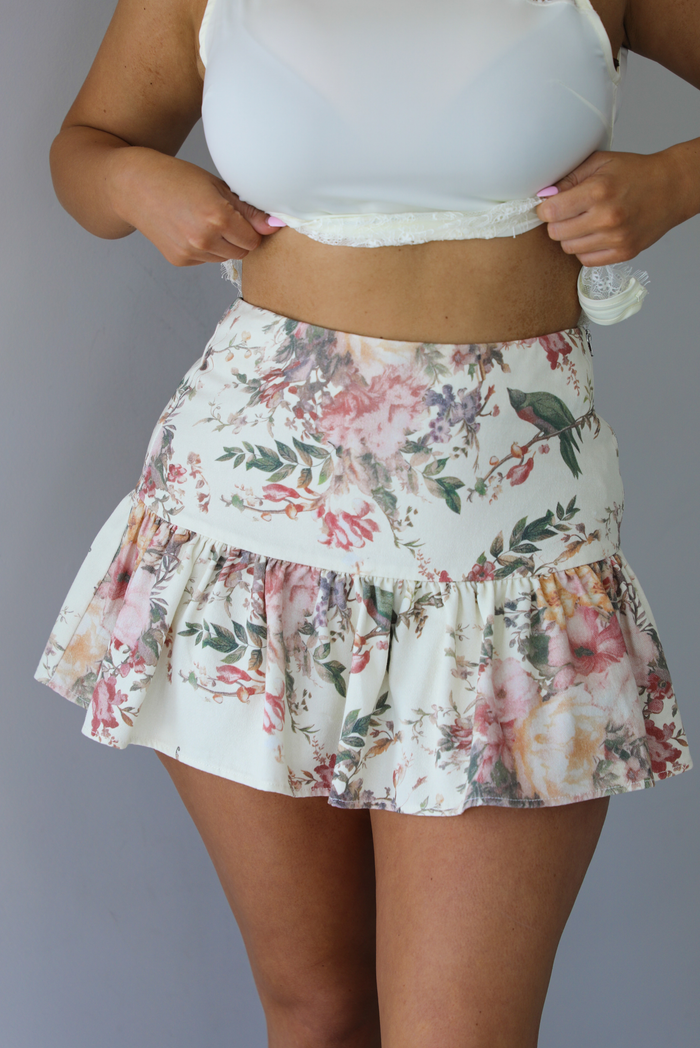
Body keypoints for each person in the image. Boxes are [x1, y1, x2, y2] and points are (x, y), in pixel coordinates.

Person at [34, 1, 697, 1045]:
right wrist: (129, 181)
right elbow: (85, 148)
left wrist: (676, 181)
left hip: (505, 559)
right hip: (248, 534)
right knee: (316, 1011)